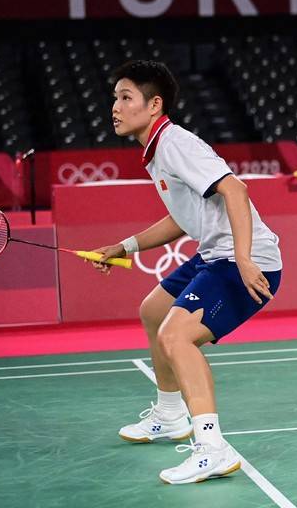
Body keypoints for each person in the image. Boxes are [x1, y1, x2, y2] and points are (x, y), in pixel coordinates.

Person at [91, 60, 282, 484]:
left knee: (176, 336)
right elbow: (183, 218)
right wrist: (126, 246)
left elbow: (235, 189)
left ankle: (212, 449)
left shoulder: (177, 144)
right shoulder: (157, 150)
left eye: (125, 97)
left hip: (243, 260)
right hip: (216, 253)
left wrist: (245, 258)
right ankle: (171, 414)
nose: (115, 108)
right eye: (114, 98)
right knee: (154, 310)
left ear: (154, 105)